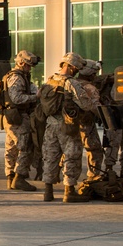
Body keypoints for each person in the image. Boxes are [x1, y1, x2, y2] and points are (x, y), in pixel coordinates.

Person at [39, 53, 94, 202]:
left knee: (50, 156)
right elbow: (86, 104)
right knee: (72, 155)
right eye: (76, 68)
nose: (77, 71)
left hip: (50, 124)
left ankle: (48, 191)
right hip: (67, 125)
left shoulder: (50, 80)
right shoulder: (71, 83)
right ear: (70, 67)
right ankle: (69, 191)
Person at [2, 51, 40, 191]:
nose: (30, 68)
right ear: (22, 63)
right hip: (17, 116)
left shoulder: (18, 76)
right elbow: (16, 98)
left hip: (12, 117)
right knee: (26, 147)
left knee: (11, 147)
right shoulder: (16, 78)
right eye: (28, 66)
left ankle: (11, 177)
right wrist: (34, 98)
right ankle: (19, 177)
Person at [76, 60, 105, 181]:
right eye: (94, 73)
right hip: (86, 123)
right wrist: (104, 117)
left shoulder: (72, 83)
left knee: (71, 150)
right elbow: (96, 107)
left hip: (71, 123)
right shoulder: (89, 87)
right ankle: (93, 175)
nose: (95, 76)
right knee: (95, 150)